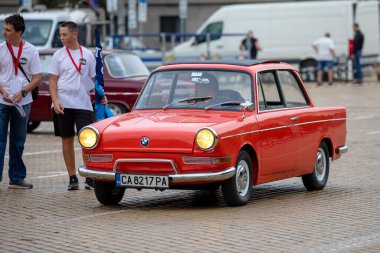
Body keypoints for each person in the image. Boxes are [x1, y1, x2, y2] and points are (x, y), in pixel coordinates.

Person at [49, 21, 106, 190]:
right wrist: (55, 100)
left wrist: (102, 95)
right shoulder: (58, 55)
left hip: (83, 104)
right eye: (60, 35)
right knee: (66, 140)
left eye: (65, 34)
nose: (62, 38)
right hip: (63, 103)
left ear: (74, 34)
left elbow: (96, 80)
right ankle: (72, 177)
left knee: (87, 141)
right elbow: (52, 81)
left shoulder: (87, 55)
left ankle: (89, 175)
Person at [0, 14, 42, 188]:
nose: (4, 32)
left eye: (8, 30)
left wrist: (24, 91)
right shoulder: (1, 48)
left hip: (22, 103)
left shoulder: (31, 50)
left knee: (18, 141)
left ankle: (17, 177)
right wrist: (2, 91)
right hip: (2, 102)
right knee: (0, 141)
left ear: (18, 32)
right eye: (4, 29)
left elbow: (37, 77)